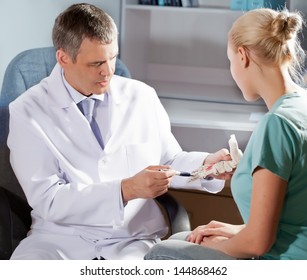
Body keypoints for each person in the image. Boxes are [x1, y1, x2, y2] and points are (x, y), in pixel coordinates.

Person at [7, 3, 232, 260]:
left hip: (130, 238)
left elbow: (169, 161)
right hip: (58, 240)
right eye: (96, 63)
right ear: (63, 58)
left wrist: (207, 165)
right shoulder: (27, 111)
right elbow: (49, 199)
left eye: (113, 58)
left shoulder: (141, 96)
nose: (108, 71)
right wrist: (126, 190)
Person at [144, 7, 307, 260]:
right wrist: (236, 231)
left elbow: (257, 244)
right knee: (183, 238)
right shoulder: (301, 105)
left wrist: (214, 246)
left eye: (230, 61)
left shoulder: (276, 124)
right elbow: (296, 214)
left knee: (162, 253)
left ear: (243, 57)